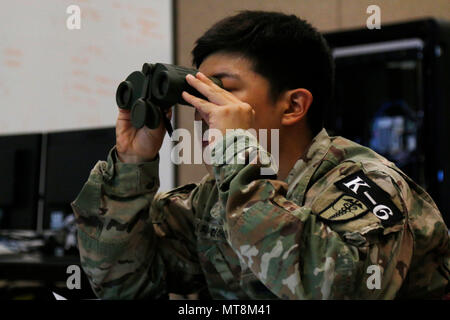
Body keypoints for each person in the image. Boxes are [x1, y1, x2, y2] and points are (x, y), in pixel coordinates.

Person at [71, 11, 449, 299]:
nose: (202, 109)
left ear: (293, 106)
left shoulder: (364, 184)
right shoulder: (213, 198)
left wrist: (235, 153)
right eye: (198, 92)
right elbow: (121, 284)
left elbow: (335, 289)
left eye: (220, 90)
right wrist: (131, 166)